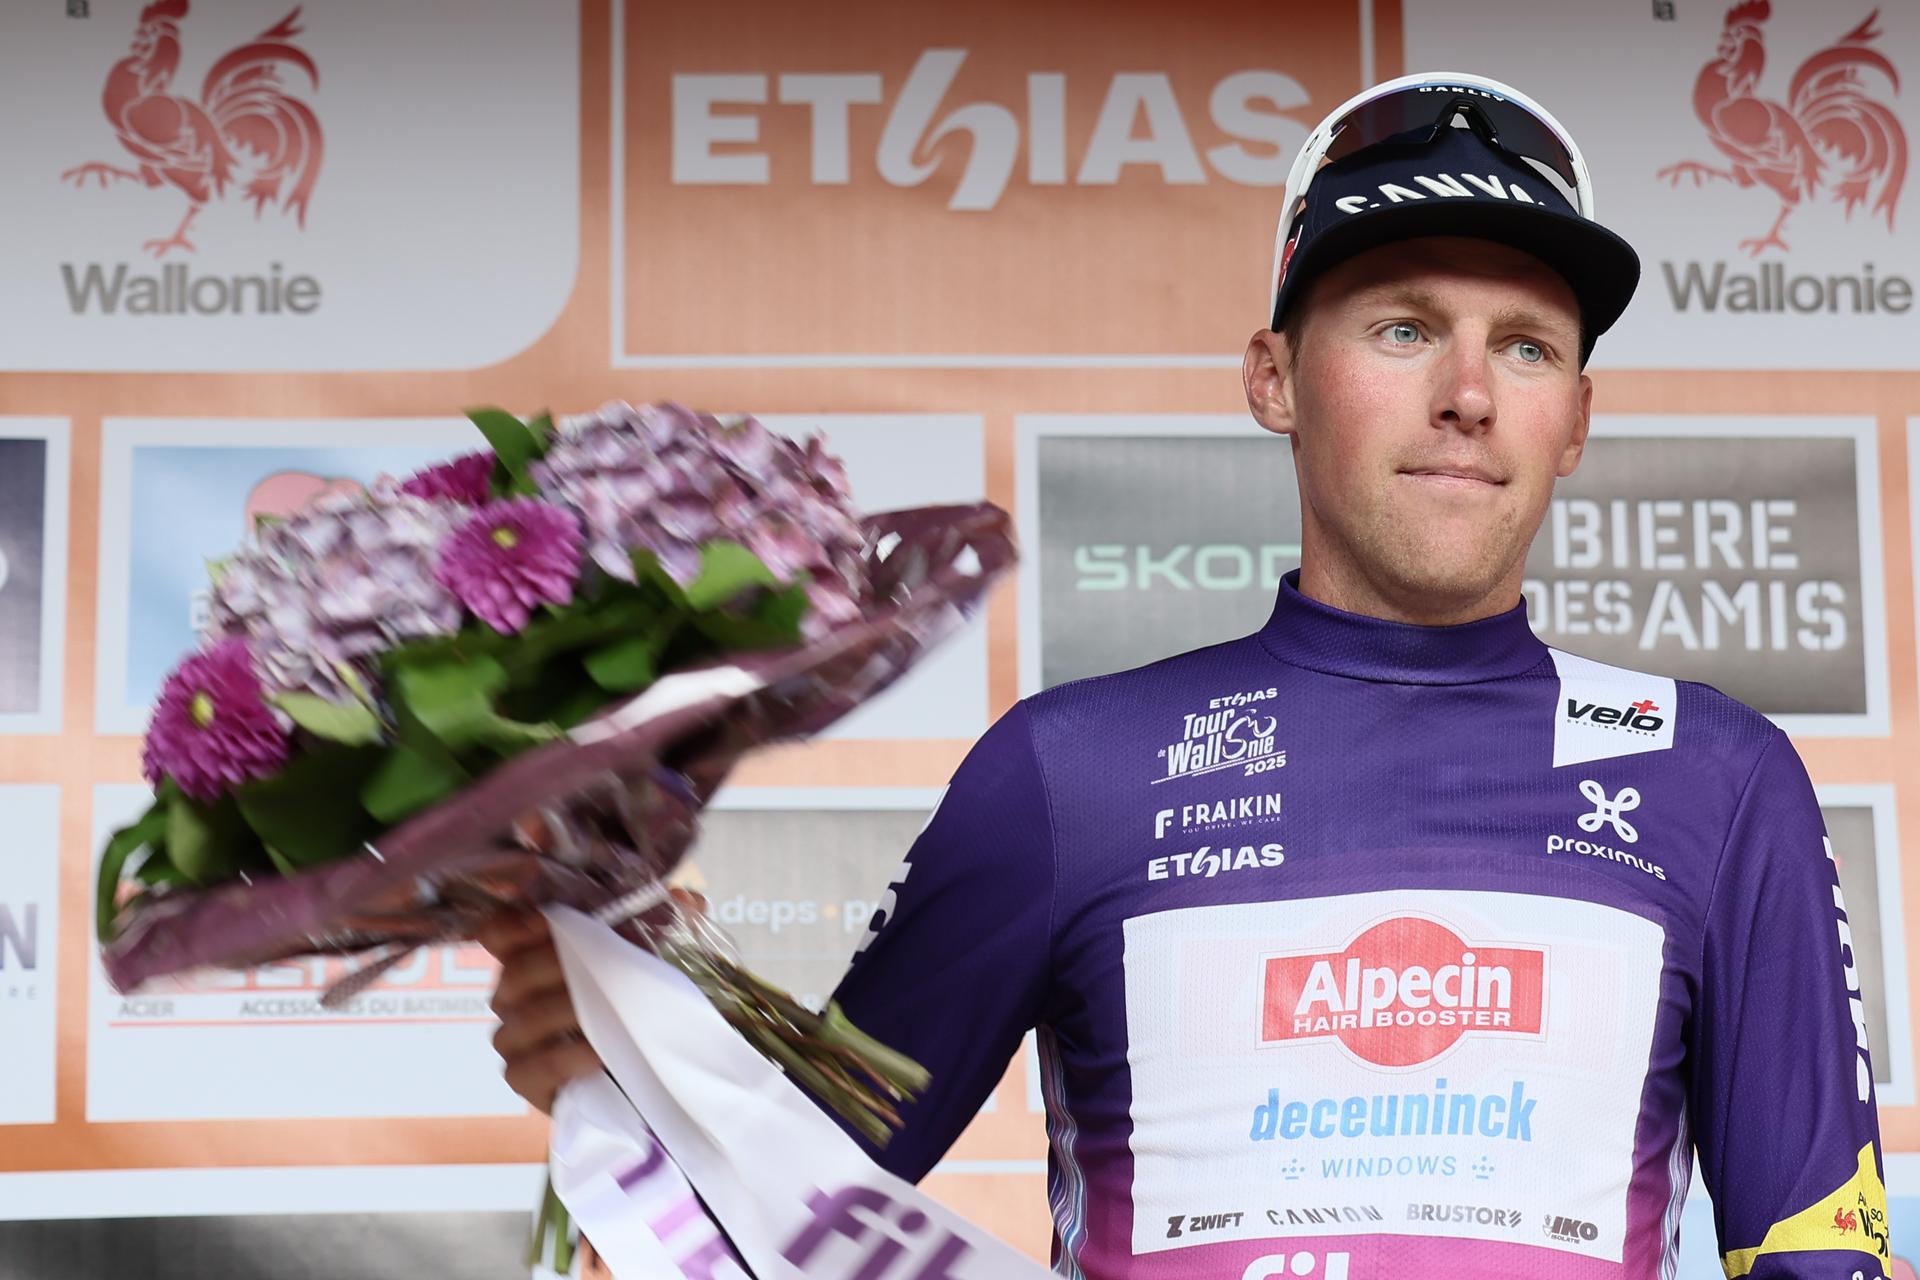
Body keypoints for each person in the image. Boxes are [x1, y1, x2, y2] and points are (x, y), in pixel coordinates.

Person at [481, 72, 1890, 1280]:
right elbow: (770, 1224)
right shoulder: (1068, 771)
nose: (1469, 391)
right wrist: (625, 1068)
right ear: (1273, 377)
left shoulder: (1715, 776)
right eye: (1403, 328)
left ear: (1575, 418)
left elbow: (1822, 1251)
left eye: (1525, 347)